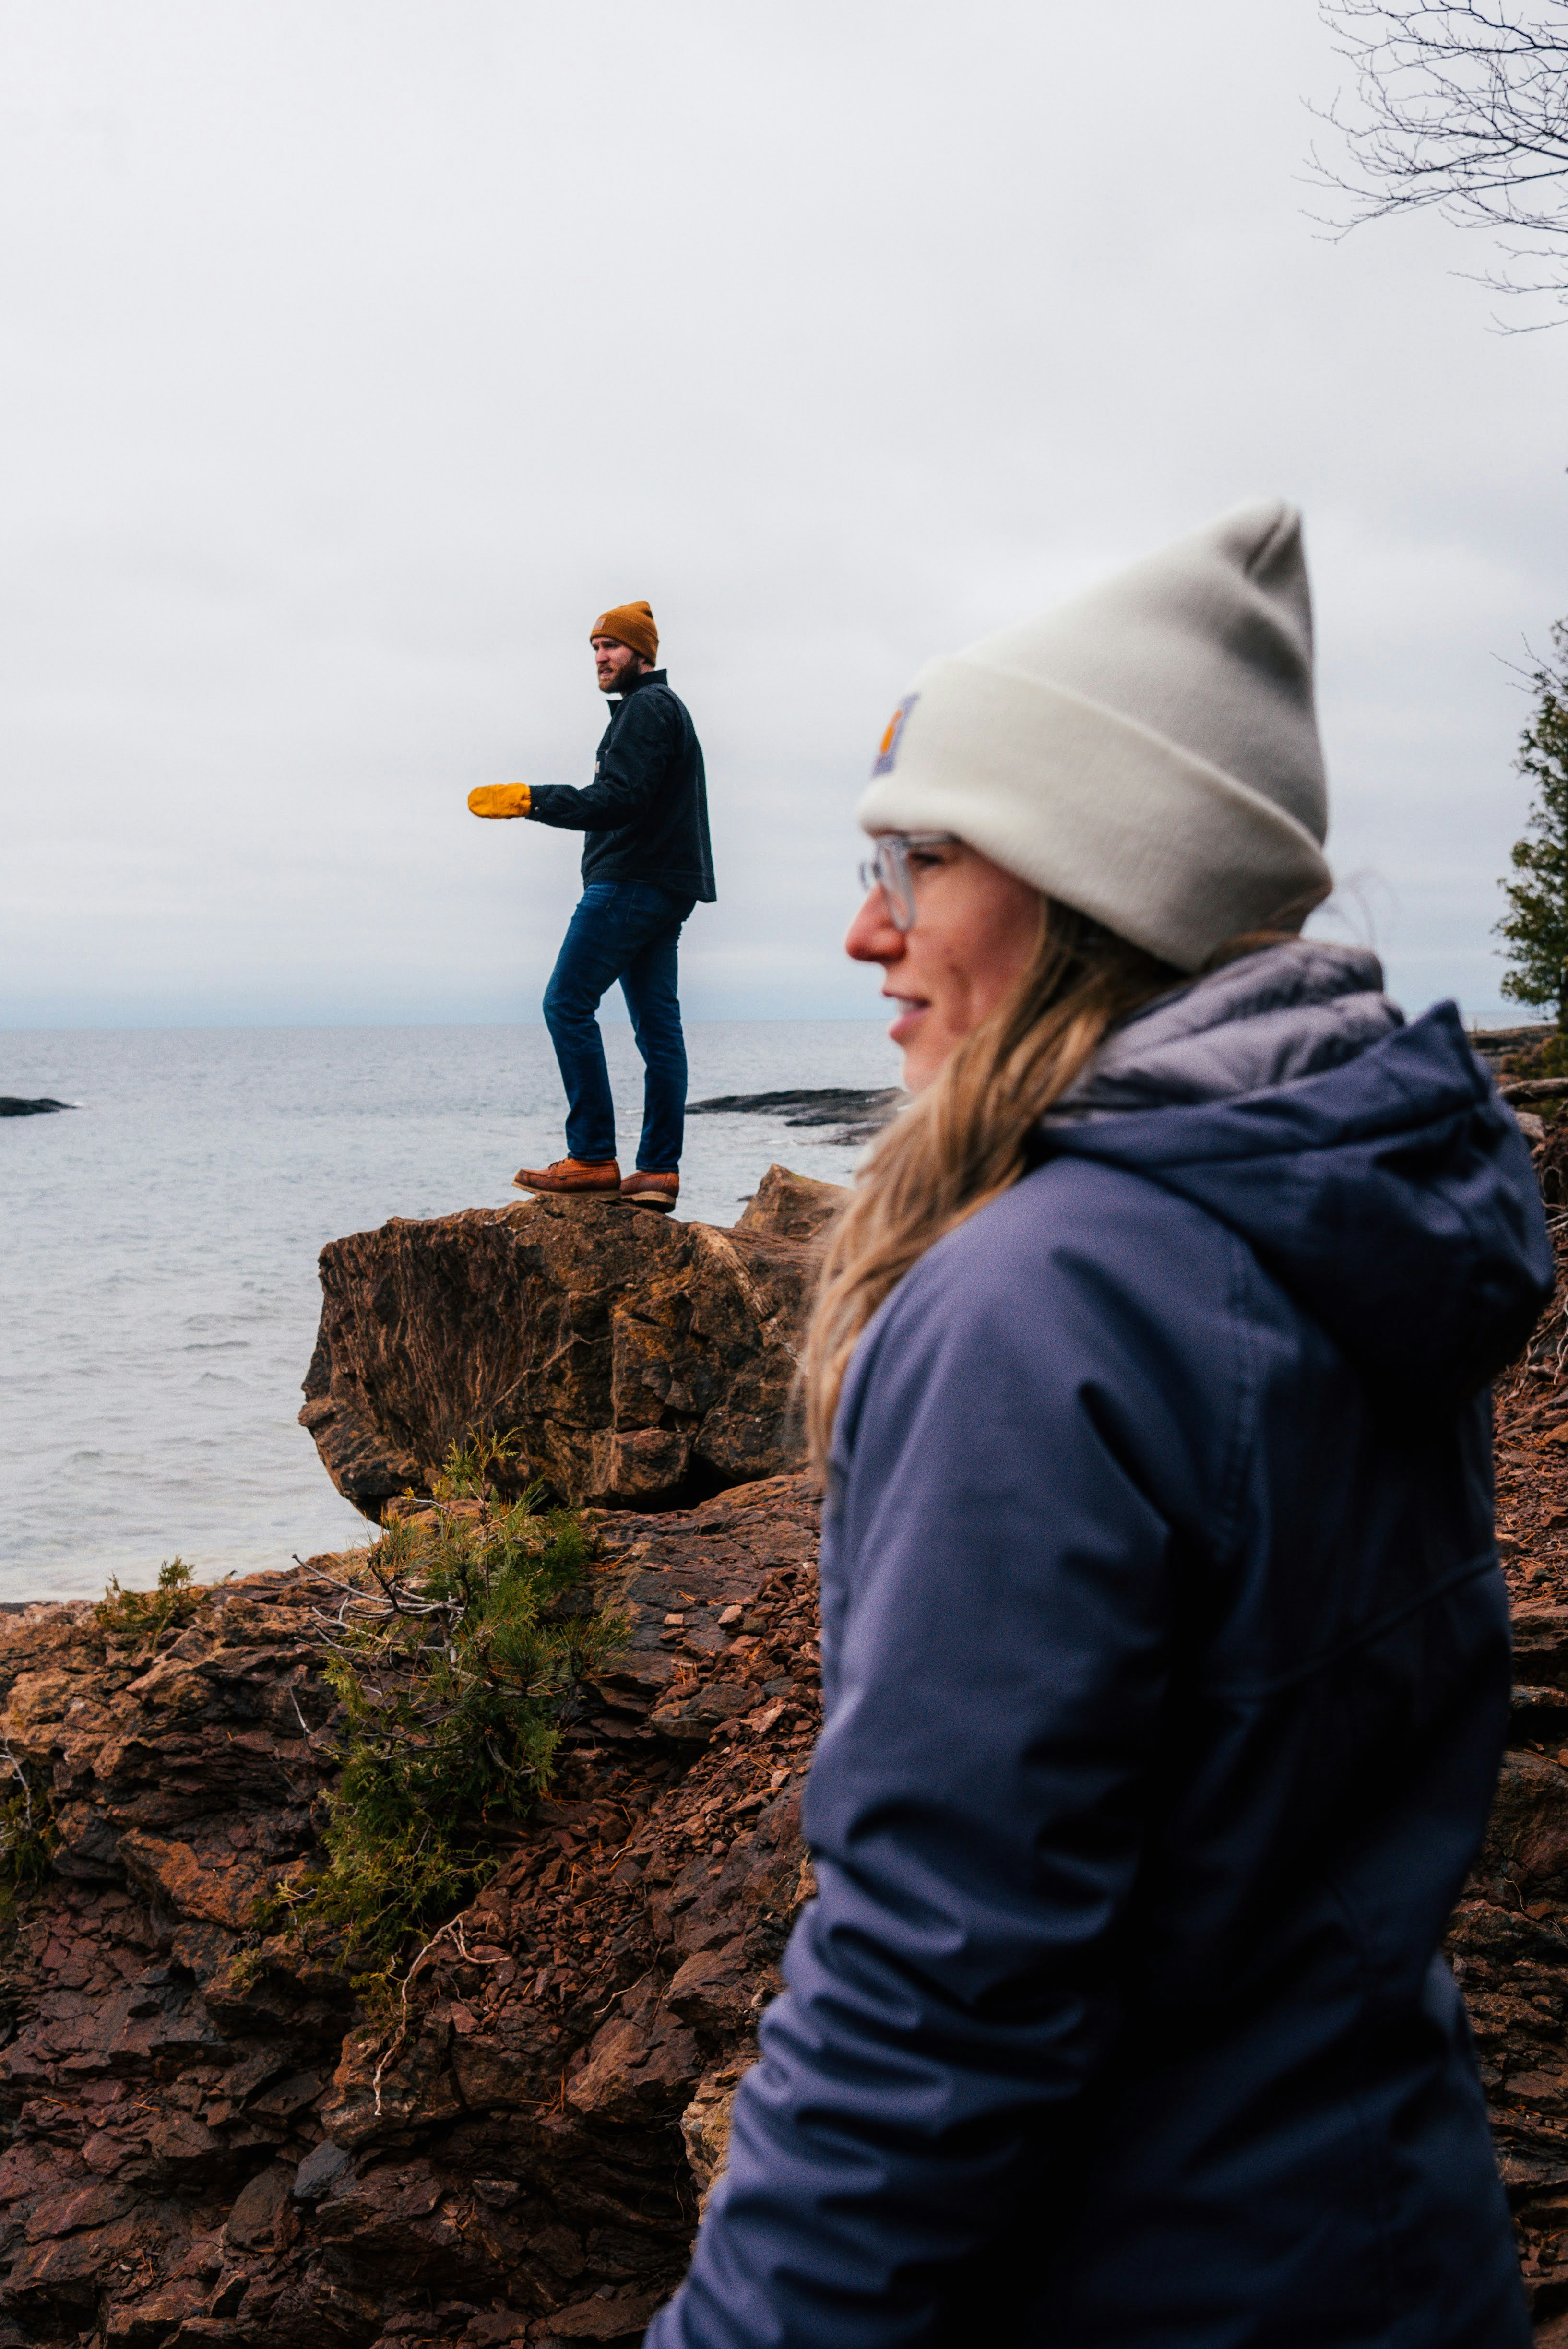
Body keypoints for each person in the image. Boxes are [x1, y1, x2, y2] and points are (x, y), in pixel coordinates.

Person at [645, 503, 1550, 2348]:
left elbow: (934, 1992)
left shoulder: (1032, 1305)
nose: (860, 927)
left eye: (915, 858)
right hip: (1385, 2245)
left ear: (1087, 884)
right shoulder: (1348, 1216)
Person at [468, 600, 714, 1212]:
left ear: (643, 653)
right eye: (595, 648)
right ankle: (657, 1172)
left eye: (612, 647)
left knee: (565, 1003)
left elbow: (619, 798)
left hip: (632, 882)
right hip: (666, 885)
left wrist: (534, 800)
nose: (601, 658)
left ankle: (592, 1158)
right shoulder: (660, 711)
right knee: (659, 1031)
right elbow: (636, 795)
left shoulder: (646, 708)